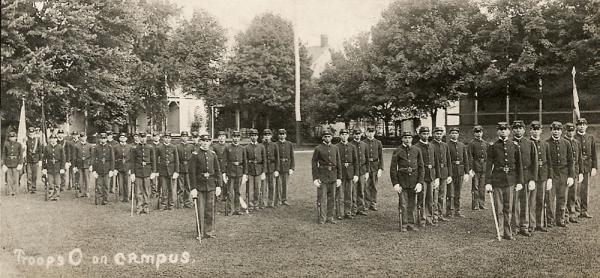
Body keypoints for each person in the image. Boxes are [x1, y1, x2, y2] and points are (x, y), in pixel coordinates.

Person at [484, 122, 523, 240]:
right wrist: (488, 182)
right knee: (499, 208)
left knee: (509, 207)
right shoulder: (493, 146)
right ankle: (500, 231)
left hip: (510, 180)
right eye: (500, 129)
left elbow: (519, 165)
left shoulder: (514, 145)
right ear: (497, 132)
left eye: (505, 129)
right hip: (497, 180)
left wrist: (520, 181)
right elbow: (489, 165)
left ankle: (508, 232)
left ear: (509, 131)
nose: (503, 131)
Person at [190, 133, 223, 239]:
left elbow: (218, 171)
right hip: (200, 186)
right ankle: (200, 232)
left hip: (211, 186)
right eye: (203, 141)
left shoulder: (213, 154)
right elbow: (192, 172)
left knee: (210, 210)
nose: (205, 143)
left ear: (210, 142)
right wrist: (193, 188)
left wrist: (218, 185)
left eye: (207, 141)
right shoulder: (195, 155)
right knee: (200, 210)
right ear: (200, 142)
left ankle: (209, 232)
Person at [390, 131, 424, 232]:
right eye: (405, 137)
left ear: (412, 139)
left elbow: (421, 167)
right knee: (403, 204)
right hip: (402, 181)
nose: (407, 139)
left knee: (412, 204)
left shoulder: (417, 150)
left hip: (413, 181)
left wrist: (419, 182)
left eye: (409, 137)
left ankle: (411, 223)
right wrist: (395, 183)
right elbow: (393, 169)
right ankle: (404, 224)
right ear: (402, 139)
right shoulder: (397, 150)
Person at [546, 121, 575, 228]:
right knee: (550, 199)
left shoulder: (566, 143)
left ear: (561, 131)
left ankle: (560, 219)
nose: (556, 132)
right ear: (551, 130)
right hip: (552, 175)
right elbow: (546, 162)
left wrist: (571, 176)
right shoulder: (547, 143)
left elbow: (571, 161)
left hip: (564, 175)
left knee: (562, 198)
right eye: (554, 129)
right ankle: (550, 220)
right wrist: (548, 177)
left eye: (558, 130)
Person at [511, 120, 537, 237]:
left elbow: (534, 162)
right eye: (515, 128)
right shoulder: (509, 143)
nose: (518, 130)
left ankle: (524, 226)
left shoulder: (530, 143)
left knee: (525, 202)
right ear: (512, 130)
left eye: (520, 128)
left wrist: (532, 179)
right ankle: (515, 226)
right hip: (514, 177)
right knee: (514, 202)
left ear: (524, 129)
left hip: (526, 176)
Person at [311, 130, 342, 224]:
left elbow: (338, 163)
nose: (327, 138)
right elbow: (314, 163)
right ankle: (322, 218)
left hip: (333, 176)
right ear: (322, 138)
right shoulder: (318, 148)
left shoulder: (335, 148)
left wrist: (339, 177)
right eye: (325, 136)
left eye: (329, 136)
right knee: (322, 198)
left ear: (331, 137)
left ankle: (330, 217)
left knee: (332, 198)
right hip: (322, 176)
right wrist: (315, 178)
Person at [528, 121, 552, 232]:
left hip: (543, 175)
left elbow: (549, 162)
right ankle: (532, 224)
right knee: (532, 201)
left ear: (541, 130)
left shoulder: (545, 144)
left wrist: (549, 178)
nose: (536, 131)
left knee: (541, 200)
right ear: (530, 130)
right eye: (534, 129)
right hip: (533, 176)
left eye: (538, 129)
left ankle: (540, 223)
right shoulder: (527, 143)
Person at [414, 126, 440, 226]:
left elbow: (436, 162)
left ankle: (429, 218)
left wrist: (437, 177)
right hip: (422, 176)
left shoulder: (432, 146)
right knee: (422, 198)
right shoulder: (416, 147)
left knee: (431, 198)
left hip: (432, 175)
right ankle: (421, 219)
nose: (426, 135)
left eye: (427, 133)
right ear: (420, 134)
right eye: (423, 133)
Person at [447, 127, 472, 218]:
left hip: (460, 171)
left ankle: (457, 211)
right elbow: (447, 160)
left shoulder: (462, 145)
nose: (454, 135)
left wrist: (466, 172)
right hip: (451, 171)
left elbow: (466, 159)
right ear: (450, 135)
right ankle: (449, 211)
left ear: (458, 135)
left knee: (458, 192)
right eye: (452, 133)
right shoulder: (447, 145)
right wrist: (448, 174)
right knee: (451, 193)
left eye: (456, 133)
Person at [574, 118, 597, 218]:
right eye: (579, 124)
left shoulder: (590, 138)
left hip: (587, 167)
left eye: (583, 124)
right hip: (577, 167)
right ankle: (576, 210)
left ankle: (584, 210)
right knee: (575, 189)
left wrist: (594, 167)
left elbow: (594, 154)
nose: (582, 126)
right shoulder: (574, 137)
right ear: (577, 126)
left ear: (586, 126)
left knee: (585, 189)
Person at [130, 132, 157, 214]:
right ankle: (139, 207)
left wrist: (154, 171)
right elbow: (132, 161)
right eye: (141, 137)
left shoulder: (150, 147)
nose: (143, 139)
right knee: (138, 191)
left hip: (147, 171)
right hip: (138, 171)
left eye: (144, 137)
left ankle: (146, 207)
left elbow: (153, 160)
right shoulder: (135, 148)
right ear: (139, 138)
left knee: (147, 190)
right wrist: (132, 173)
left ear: (146, 138)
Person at [223, 131, 247, 215]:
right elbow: (224, 161)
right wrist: (224, 173)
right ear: (232, 137)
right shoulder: (227, 147)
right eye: (234, 137)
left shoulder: (242, 148)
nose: (236, 138)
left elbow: (245, 162)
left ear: (239, 138)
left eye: (237, 137)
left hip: (239, 172)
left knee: (238, 191)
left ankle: (237, 209)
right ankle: (230, 210)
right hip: (230, 172)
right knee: (230, 191)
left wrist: (244, 173)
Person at [336, 129, 359, 219]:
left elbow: (356, 162)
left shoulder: (352, 147)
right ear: (340, 136)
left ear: (348, 136)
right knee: (340, 195)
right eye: (342, 134)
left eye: (346, 134)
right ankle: (340, 213)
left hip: (350, 173)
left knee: (349, 194)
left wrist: (356, 174)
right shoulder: (336, 146)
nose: (344, 136)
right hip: (341, 173)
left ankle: (348, 212)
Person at [432, 127, 453, 222]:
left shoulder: (445, 145)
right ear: (433, 134)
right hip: (435, 173)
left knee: (441, 194)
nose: (438, 135)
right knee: (434, 195)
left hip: (444, 172)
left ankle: (440, 214)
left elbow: (448, 160)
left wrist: (449, 174)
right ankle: (434, 215)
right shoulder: (431, 145)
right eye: (437, 133)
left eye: (440, 134)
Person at [564, 123, 583, 223]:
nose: (570, 133)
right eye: (568, 131)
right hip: (565, 172)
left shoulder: (576, 142)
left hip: (574, 171)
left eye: (572, 131)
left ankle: (572, 214)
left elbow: (579, 159)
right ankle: (565, 215)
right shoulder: (563, 141)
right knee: (564, 194)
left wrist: (580, 172)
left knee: (573, 194)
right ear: (565, 131)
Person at [156, 132, 180, 210]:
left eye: (169, 138)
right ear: (163, 138)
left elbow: (177, 160)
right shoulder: (159, 147)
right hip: (163, 171)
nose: (167, 139)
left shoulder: (174, 147)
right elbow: (156, 160)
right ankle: (163, 204)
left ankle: (171, 204)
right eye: (166, 137)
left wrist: (176, 171)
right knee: (164, 188)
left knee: (171, 189)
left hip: (172, 171)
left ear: (170, 139)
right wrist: (156, 171)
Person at [245, 129, 266, 211]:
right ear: (250, 137)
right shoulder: (246, 147)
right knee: (250, 189)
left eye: (255, 135)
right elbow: (245, 161)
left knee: (257, 188)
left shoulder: (261, 147)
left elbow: (264, 160)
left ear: (257, 136)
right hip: (250, 170)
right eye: (252, 135)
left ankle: (256, 204)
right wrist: (246, 173)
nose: (254, 137)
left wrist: (264, 171)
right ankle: (250, 205)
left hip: (259, 170)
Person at [363, 127, 383, 211]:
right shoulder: (363, 142)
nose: (370, 134)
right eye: (369, 132)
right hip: (366, 166)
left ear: (374, 133)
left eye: (372, 132)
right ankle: (367, 204)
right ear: (366, 133)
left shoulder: (378, 143)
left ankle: (373, 203)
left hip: (375, 166)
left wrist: (380, 168)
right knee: (366, 186)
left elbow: (381, 156)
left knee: (374, 186)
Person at [91, 133, 115, 205]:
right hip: (99, 168)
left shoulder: (110, 147)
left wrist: (111, 170)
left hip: (107, 168)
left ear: (106, 139)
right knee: (98, 185)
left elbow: (112, 159)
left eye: (104, 138)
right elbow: (94, 159)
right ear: (100, 139)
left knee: (106, 185)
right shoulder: (96, 147)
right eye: (102, 138)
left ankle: (105, 200)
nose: (103, 139)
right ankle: (98, 200)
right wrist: (94, 170)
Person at [468, 125, 488, 210]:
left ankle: (481, 204)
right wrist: (471, 169)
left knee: (482, 187)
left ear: (482, 133)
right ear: (474, 133)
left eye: (480, 132)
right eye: (476, 132)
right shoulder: (472, 143)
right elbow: (469, 156)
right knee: (475, 187)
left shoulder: (485, 143)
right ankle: (475, 204)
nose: (478, 134)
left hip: (484, 167)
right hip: (475, 167)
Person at [42, 134, 66, 201]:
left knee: (57, 182)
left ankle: (57, 195)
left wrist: (62, 168)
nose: (53, 140)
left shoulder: (60, 147)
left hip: (57, 166)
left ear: (56, 139)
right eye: (51, 138)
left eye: (54, 138)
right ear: (50, 139)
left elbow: (63, 158)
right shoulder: (47, 147)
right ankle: (51, 195)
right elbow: (44, 158)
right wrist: (44, 168)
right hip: (49, 167)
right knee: (50, 182)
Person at [351, 129, 369, 216]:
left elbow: (367, 159)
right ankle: (353, 209)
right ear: (353, 135)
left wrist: (367, 172)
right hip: (353, 171)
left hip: (362, 170)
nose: (357, 136)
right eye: (355, 134)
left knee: (361, 190)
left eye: (359, 134)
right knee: (353, 190)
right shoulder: (350, 144)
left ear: (361, 135)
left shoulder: (364, 145)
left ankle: (361, 208)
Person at [276, 129, 294, 206]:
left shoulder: (289, 144)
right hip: (279, 166)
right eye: (280, 134)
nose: (282, 135)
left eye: (283, 134)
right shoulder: (275, 144)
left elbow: (292, 157)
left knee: (285, 184)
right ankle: (279, 200)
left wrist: (292, 168)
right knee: (279, 184)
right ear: (278, 135)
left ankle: (284, 199)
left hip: (287, 166)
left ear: (286, 135)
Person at [177, 131, 195, 208]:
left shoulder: (191, 146)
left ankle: (187, 202)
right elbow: (177, 159)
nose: (184, 137)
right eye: (183, 136)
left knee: (188, 186)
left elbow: (193, 158)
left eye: (186, 136)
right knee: (180, 187)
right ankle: (180, 203)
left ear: (188, 137)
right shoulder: (177, 146)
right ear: (181, 137)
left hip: (188, 168)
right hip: (181, 167)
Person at [262, 129, 280, 208]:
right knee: (264, 186)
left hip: (272, 168)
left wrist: (277, 169)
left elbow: (277, 158)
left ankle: (271, 202)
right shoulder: (261, 145)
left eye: (268, 135)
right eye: (265, 135)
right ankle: (264, 202)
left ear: (271, 136)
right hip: (264, 169)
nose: (267, 136)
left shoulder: (274, 145)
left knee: (271, 186)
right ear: (263, 136)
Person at [72, 132, 93, 198]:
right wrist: (74, 166)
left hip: (87, 164)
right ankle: (81, 192)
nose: (83, 138)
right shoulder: (76, 146)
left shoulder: (89, 145)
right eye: (81, 137)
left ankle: (87, 192)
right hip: (79, 164)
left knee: (87, 178)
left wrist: (91, 165)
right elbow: (74, 156)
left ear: (86, 137)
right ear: (80, 138)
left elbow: (92, 156)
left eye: (84, 137)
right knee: (80, 178)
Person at [2, 132, 23, 196]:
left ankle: (15, 191)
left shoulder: (19, 144)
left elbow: (21, 155)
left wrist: (20, 163)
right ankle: (9, 191)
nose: (12, 138)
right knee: (9, 178)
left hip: (16, 163)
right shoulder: (6, 144)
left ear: (16, 137)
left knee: (16, 178)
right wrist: (3, 164)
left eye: (13, 137)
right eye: (11, 137)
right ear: (9, 138)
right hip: (8, 163)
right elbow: (4, 155)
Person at [113, 132, 132, 202]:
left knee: (127, 183)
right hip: (119, 166)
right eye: (121, 137)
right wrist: (115, 168)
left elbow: (132, 159)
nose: (122, 138)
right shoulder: (115, 147)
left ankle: (126, 197)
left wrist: (131, 168)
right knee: (120, 183)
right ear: (119, 138)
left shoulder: (129, 147)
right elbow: (113, 158)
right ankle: (121, 197)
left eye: (124, 137)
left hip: (127, 166)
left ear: (126, 138)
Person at [211, 131, 228, 202]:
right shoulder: (214, 146)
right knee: (217, 181)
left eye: (223, 136)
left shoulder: (227, 146)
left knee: (225, 182)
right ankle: (216, 196)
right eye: (220, 136)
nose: (221, 138)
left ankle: (225, 196)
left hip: (225, 166)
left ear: (225, 138)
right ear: (218, 138)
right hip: (217, 166)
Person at [25, 127, 42, 194]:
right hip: (28, 160)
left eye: (32, 132)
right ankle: (29, 188)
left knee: (34, 175)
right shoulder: (26, 140)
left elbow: (40, 150)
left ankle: (34, 187)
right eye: (30, 132)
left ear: (34, 132)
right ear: (28, 133)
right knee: (29, 175)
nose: (31, 133)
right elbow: (25, 151)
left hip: (35, 159)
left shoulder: (37, 140)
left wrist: (40, 159)